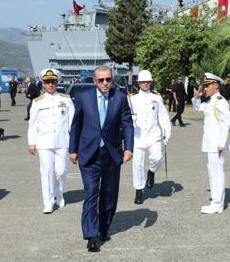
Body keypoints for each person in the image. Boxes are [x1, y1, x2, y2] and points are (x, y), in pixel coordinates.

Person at [69, 65, 134, 252]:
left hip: (112, 154)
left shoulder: (120, 98)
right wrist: (73, 150)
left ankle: (104, 227)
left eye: (108, 79)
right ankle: (91, 234)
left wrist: (128, 147)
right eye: (101, 80)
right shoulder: (84, 98)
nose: (105, 83)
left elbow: (127, 124)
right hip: (89, 154)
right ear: (94, 81)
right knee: (91, 193)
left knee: (109, 194)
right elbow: (76, 126)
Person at [28, 69, 74, 214]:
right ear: (43, 84)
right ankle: (48, 202)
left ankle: (58, 194)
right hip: (44, 142)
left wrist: (74, 141)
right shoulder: (37, 102)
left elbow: (72, 122)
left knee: (61, 171)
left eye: (53, 81)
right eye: (47, 82)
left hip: (63, 141)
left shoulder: (66, 99)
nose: (50, 84)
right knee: (46, 172)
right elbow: (33, 123)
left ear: (57, 82)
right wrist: (32, 142)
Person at [128, 70, 171, 205]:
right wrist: (131, 118)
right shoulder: (132, 99)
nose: (146, 84)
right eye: (143, 82)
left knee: (157, 157)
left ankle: (151, 172)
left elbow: (163, 116)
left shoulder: (157, 98)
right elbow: (125, 116)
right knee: (137, 164)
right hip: (138, 135)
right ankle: (139, 191)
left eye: (148, 82)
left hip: (153, 134)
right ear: (139, 83)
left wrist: (167, 131)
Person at [191, 72, 230, 214]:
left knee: (217, 173)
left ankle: (218, 203)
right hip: (209, 143)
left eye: (207, 86)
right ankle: (215, 201)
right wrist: (197, 95)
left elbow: (226, 124)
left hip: (216, 144)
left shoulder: (220, 101)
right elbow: (196, 107)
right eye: (205, 86)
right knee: (211, 172)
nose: (205, 88)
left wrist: (221, 143)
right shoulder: (210, 101)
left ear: (215, 86)